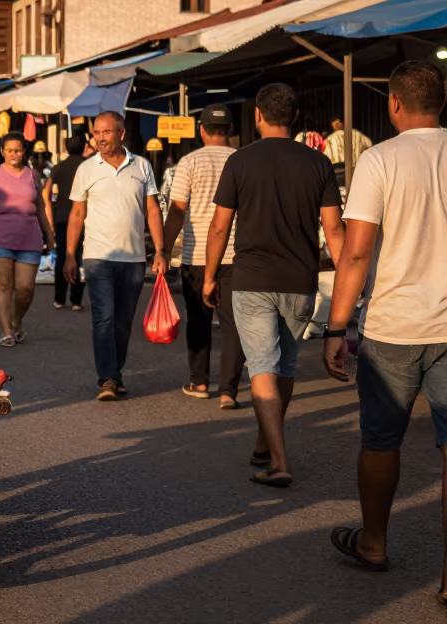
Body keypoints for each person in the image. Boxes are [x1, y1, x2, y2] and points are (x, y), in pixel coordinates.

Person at [323, 61, 447, 591]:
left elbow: (355, 254)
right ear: (440, 102)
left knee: (380, 441)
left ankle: (373, 542)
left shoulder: (379, 160)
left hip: (393, 327)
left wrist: (336, 328)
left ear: (394, 103)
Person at [204, 83, 345, 487]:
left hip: (251, 279)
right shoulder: (318, 164)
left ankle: (279, 461)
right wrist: (351, 281)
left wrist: (211, 275)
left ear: (258, 117)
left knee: (262, 365)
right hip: (299, 281)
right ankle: (265, 443)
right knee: (283, 365)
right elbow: (334, 230)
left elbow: (219, 227)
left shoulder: (240, 161)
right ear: (296, 118)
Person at [63, 111, 167, 402]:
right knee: (104, 318)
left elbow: (153, 210)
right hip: (97, 256)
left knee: (123, 320)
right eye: (97, 132)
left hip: (133, 258)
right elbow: (77, 214)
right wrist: (70, 254)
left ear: (121, 133)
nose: (100, 137)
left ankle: (115, 372)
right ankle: (107, 378)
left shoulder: (142, 166)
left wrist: (159, 250)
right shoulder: (86, 168)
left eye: (106, 132)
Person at [161, 105, 244, 409]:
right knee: (234, 324)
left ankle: (199, 382)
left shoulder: (189, 162)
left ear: (202, 130)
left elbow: (177, 211)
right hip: (236, 253)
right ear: (231, 130)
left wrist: (164, 251)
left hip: (197, 254)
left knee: (199, 319)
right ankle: (228, 391)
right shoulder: (242, 159)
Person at [0, 133, 53, 346]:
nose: (14, 154)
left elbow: (41, 207)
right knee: (4, 284)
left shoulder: (33, 175)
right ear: (2, 151)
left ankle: (15, 319)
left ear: (24, 151)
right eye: (10, 150)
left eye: (18, 150)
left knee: (25, 288)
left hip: (29, 237)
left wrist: (49, 235)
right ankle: (6, 331)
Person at [45, 135, 88, 312]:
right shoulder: (88, 166)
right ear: (85, 146)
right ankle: (76, 300)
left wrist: (49, 220)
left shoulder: (59, 167)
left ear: (66, 147)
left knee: (62, 257)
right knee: (80, 258)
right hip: (85, 218)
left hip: (62, 217)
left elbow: (45, 193)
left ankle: (59, 298)